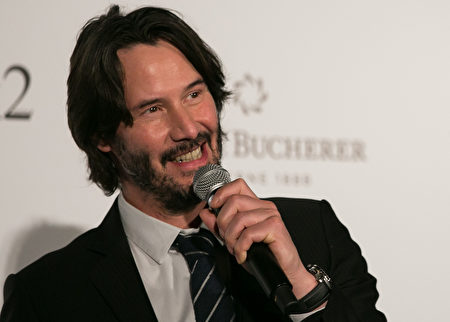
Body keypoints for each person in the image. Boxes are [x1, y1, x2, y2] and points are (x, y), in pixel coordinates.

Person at [0, 5, 386, 322]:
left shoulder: (312, 233)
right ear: (103, 136)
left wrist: (302, 286)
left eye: (194, 94)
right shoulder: (47, 294)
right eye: (153, 109)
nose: (188, 128)